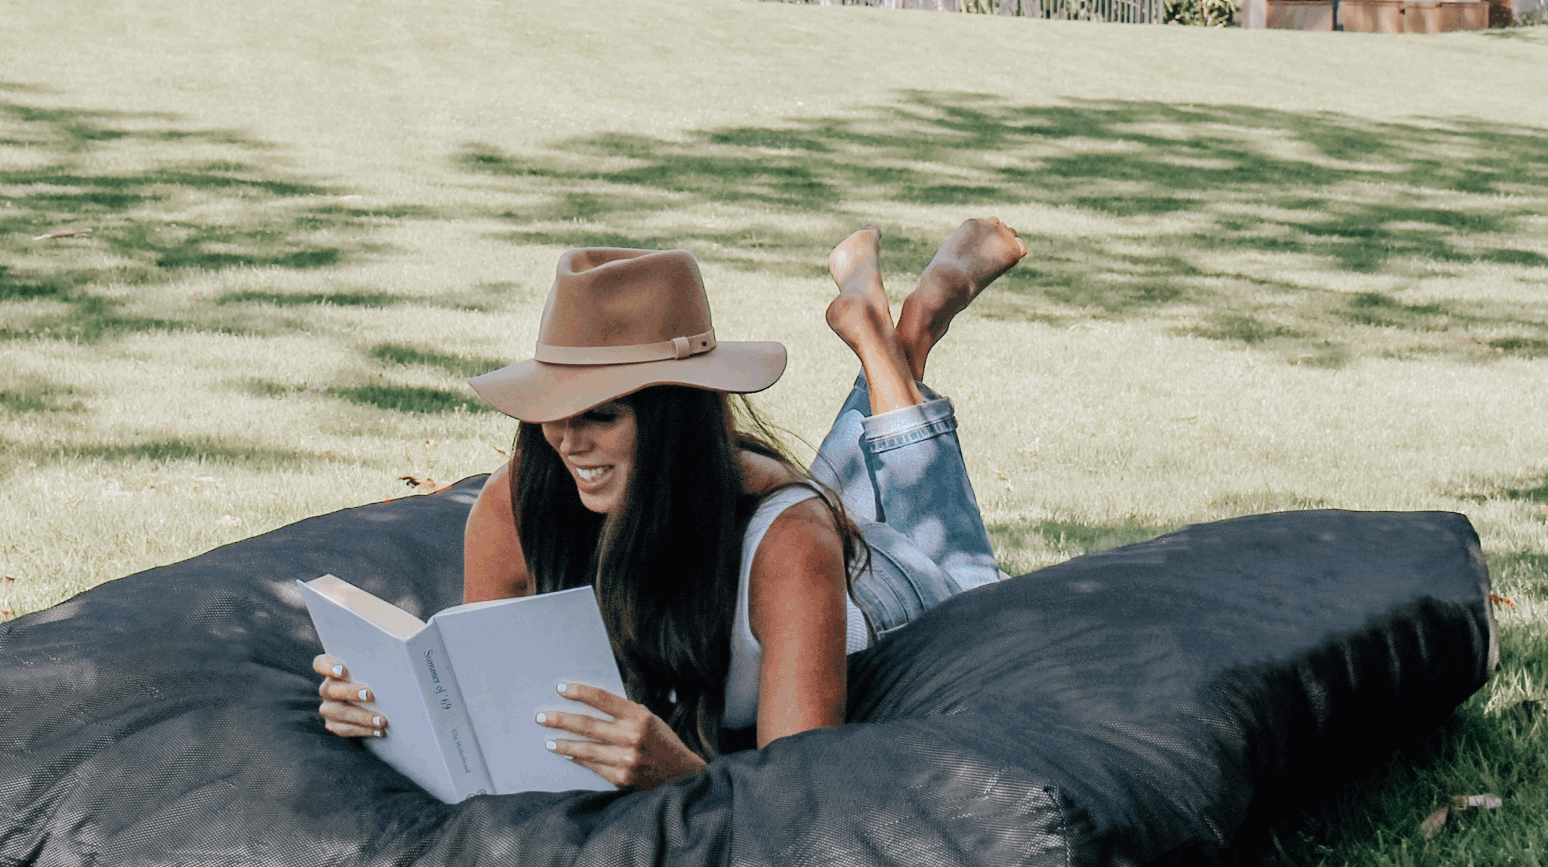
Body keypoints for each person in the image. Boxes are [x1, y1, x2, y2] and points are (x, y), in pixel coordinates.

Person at [312, 220, 1026, 791]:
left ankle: (903, 336)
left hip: (890, 595)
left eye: (602, 416)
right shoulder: (516, 505)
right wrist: (389, 715)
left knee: (966, 577)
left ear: (674, 422)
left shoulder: (790, 539)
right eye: (552, 413)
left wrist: (681, 775)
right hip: (752, 514)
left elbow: (800, 791)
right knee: (821, 494)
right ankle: (890, 334)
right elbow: (480, 702)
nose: (566, 441)